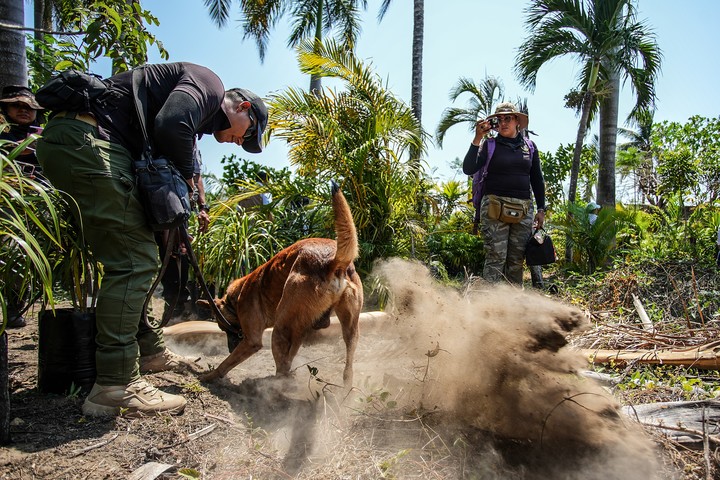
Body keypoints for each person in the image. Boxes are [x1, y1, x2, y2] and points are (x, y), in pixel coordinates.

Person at [36, 62, 268, 417]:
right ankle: (115, 385)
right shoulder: (210, 84)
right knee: (135, 262)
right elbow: (171, 124)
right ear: (243, 108)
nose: (241, 142)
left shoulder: (201, 115)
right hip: (90, 142)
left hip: (82, 142)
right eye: (247, 134)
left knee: (144, 254)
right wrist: (186, 181)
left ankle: (150, 351)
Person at [463, 102, 546, 285]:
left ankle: (513, 304)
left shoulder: (529, 148)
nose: (503, 123)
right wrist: (477, 138)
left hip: (523, 210)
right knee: (495, 257)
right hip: (494, 207)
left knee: (516, 260)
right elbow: (468, 168)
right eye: (499, 119)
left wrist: (541, 209)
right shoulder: (489, 145)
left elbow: (537, 179)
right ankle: (489, 305)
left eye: (508, 118)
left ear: (517, 120)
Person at [0, 86, 46, 328]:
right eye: (17, 105)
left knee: (30, 257)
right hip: (8, 204)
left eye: (29, 107)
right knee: (12, 253)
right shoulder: (4, 135)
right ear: (6, 109)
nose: (23, 111)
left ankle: (17, 305)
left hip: (41, 204)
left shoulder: (44, 134)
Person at [155, 141, 210, 323]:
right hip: (164, 202)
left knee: (181, 257)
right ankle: (172, 311)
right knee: (169, 255)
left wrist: (203, 206)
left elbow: (197, 174)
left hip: (183, 209)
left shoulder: (193, 142)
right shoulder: (173, 131)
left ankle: (179, 309)